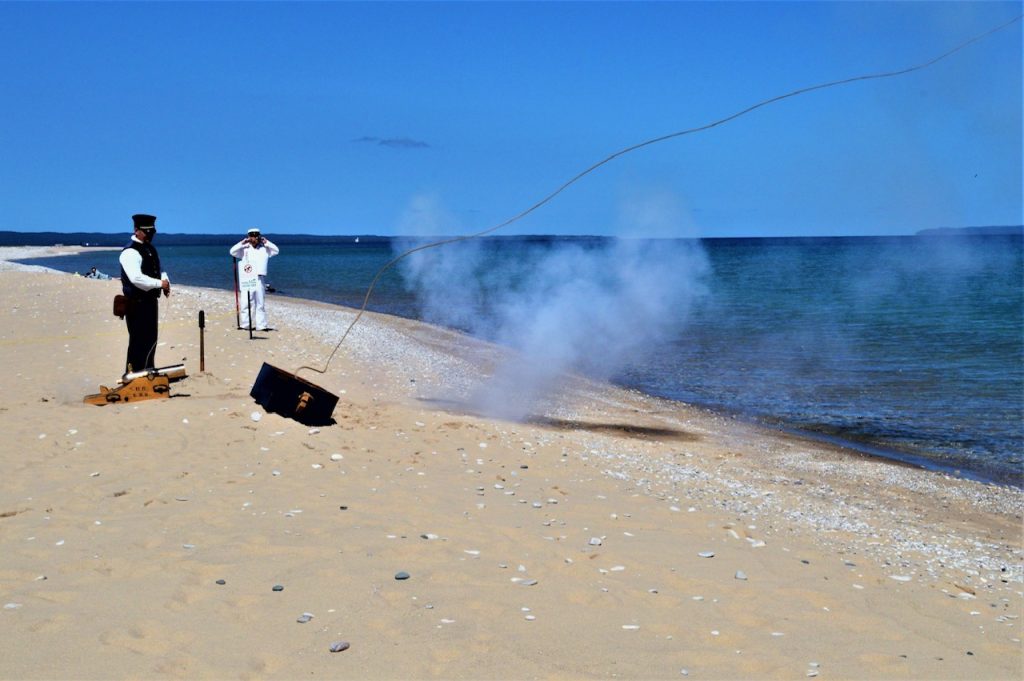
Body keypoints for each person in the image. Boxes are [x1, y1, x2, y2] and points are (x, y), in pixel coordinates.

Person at [118, 213, 170, 373]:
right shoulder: (130, 252)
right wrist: (159, 283)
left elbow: (159, 268)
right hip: (136, 303)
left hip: (150, 301)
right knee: (138, 340)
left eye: (152, 232)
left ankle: (148, 368)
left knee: (150, 339)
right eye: (147, 232)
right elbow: (136, 278)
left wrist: (165, 281)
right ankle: (133, 372)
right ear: (136, 230)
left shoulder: (150, 249)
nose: (150, 234)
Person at [230, 227, 279, 331]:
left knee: (260, 303)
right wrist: (242, 243)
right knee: (246, 302)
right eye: (251, 236)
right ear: (248, 237)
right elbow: (232, 252)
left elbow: (276, 250)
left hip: (259, 278)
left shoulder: (265, 249)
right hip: (247, 278)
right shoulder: (245, 249)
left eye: (256, 236)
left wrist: (267, 242)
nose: (254, 238)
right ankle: (245, 324)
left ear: (259, 237)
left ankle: (261, 325)